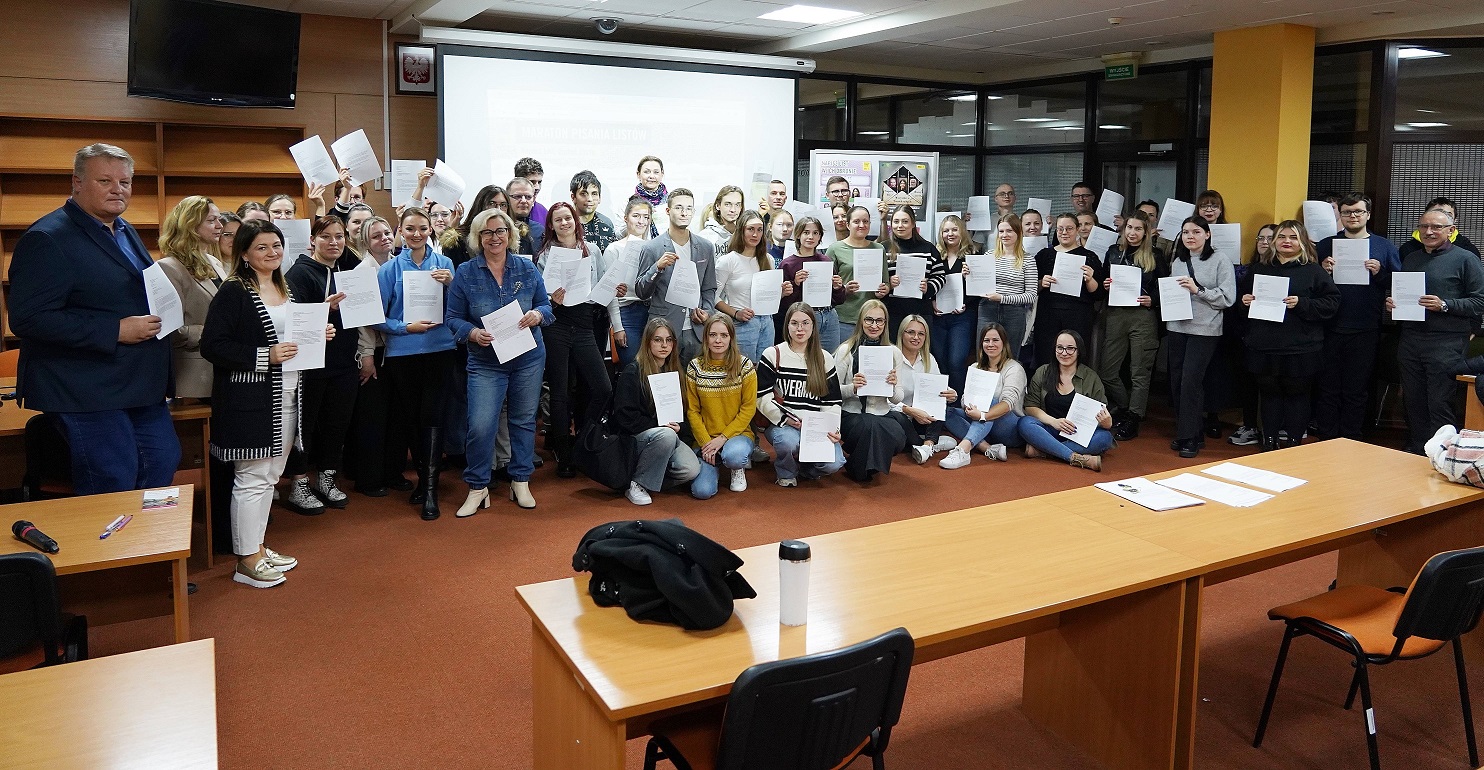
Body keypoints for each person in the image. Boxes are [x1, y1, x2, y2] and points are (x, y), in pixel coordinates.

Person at [9, 143, 180, 494]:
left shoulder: (123, 228)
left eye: (125, 182)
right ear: (77, 182)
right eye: (105, 181)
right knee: (114, 475)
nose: (118, 189)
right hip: (83, 385)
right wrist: (114, 330)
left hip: (136, 382)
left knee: (163, 458)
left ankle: (142, 531)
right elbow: (28, 318)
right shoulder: (47, 238)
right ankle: (114, 531)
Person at [200, 219, 334, 587]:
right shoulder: (233, 291)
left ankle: (256, 546)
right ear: (244, 253)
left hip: (288, 393)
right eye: (262, 247)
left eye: (276, 245)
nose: (272, 252)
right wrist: (266, 355)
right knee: (252, 478)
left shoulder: (284, 286)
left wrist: (318, 332)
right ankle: (246, 560)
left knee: (271, 477)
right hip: (249, 399)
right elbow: (213, 346)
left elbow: (291, 336)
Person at [445, 208, 552, 512]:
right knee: (480, 425)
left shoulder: (526, 268)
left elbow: (545, 306)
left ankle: (520, 480)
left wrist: (538, 315)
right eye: (488, 232)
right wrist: (472, 333)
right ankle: (478, 486)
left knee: (523, 421)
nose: (495, 237)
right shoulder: (466, 272)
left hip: (528, 357)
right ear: (478, 237)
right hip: (485, 360)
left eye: (500, 231)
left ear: (510, 234)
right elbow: (452, 318)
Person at [377, 208, 458, 519]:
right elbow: (376, 317)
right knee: (412, 418)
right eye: (410, 228)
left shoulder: (446, 264)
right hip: (403, 352)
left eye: (422, 228)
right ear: (400, 230)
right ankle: (424, 481)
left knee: (433, 415)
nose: (416, 234)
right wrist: (404, 328)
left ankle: (431, 490)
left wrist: (452, 284)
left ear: (430, 230)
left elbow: (460, 308)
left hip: (440, 349)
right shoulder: (389, 270)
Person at [1239, 220, 1340, 451]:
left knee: (1297, 394)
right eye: (1282, 237)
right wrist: (1245, 302)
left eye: (1293, 237)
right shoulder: (1259, 269)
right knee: (1269, 393)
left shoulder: (1313, 271)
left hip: (1300, 346)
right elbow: (1242, 302)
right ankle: (1269, 441)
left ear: (1302, 242)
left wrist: (1302, 303)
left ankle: (1294, 442)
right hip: (1264, 344)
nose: (1287, 241)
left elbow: (1332, 303)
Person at [1389, 208, 1484, 453]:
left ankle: (1441, 453)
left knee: (1439, 401)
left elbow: (1480, 301)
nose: (1429, 232)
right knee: (1412, 399)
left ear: (1451, 231)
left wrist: (1445, 305)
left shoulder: (1466, 259)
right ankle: (1418, 450)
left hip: (1447, 341)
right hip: (1410, 338)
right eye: (1424, 226)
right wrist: (1393, 303)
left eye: (1437, 227)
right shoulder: (1411, 258)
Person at [281, 216, 356, 514]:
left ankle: (326, 478)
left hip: (343, 362)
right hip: (310, 366)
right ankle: (299, 483)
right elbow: (293, 320)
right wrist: (325, 309)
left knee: (337, 424)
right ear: (313, 240)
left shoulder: (346, 272)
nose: (334, 242)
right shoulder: (299, 273)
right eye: (326, 236)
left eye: (339, 236)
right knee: (305, 426)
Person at [1314, 194, 1401, 441]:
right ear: (1340, 215)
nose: (1353, 216)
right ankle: (1326, 438)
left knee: (1356, 390)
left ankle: (1351, 439)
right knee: (1327, 388)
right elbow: (1310, 283)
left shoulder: (1384, 246)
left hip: (1366, 327)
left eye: (1358, 212)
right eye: (1347, 212)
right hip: (1329, 326)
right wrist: (1322, 271)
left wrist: (1380, 272)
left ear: (1368, 215)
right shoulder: (1325, 245)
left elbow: (1399, 283)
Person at [535, 201, 613, 478]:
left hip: (584, 323)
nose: (564, 223)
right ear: (551, 225)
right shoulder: (545, 255)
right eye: (558, 220)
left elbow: (602, 286)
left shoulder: (591, 250)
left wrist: (613, 289)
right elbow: (539, 297)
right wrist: (551, 300)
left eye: (568, 218)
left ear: (575, 220)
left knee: (602, 387)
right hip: (556, 323)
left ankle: (583, 439)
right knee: (560, 392)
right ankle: (564, 454)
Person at [344, 216, 406, 497]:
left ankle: (393, 472)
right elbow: (362, 322)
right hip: (374, 351)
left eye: (386, 233)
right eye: (376, 236)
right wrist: (366, 356)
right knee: (373, 418)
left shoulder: (399, 264)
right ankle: (368, 478)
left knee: (396, 416)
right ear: (365, 242)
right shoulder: (361, 272)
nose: (384, 238)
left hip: (399, 348)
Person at [1166, 217, 1236, 458]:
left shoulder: (1220, 259)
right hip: (1177, 326)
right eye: (1185, 232)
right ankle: (1190, 432)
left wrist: (1198, 290)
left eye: (1196, 232)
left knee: (1191, 381)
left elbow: (1228, 297)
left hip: (1204, 329)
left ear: (1207, 234)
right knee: (1177, 381)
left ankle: (1189, 437)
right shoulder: (1178, 261)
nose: (1190, 236)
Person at [756, 302, 846, 486]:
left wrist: (833, 429)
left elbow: (833, 402)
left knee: (835, 463)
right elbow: (762, 397)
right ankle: (786, 471)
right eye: (794, 323)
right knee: (787, 442)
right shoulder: (773, 354)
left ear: (813, 326)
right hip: (784, 425)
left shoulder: (824, 358)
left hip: (815, 428)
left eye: (805, 323)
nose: (800, 329)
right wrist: (785, 419)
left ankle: (806, 469)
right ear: (787, 326)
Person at [613, 318, 701, 505]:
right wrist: (659, 426)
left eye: (669, 340)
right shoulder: (632, 372)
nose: (664, 345)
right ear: (648, 342)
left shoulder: (676, 371)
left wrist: (680, 427)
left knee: (690, 470)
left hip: (668, 436)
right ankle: (637, 484)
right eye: (658, 340)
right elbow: (624, 417)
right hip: (637, 438)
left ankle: (644, 477)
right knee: (666, 435)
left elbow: (685, 414)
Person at [1098, 211, 1166, 440]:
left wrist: (1153, 300)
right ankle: (1126, 406)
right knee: (1108, 371)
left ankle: (1135, 417)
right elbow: (1102, 281)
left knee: (1139, 371)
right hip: (1116, 314)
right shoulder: (1113, 252)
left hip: (1142, 317)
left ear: (1146, 232)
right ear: (1123, 229)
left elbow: (1165, 285)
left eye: (1138, 229)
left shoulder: (1155, 254)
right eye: (1129, 227)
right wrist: (1105, 285)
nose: (1133, 233)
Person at [158, 195, 228, 401]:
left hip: (221, 369)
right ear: (190, 225)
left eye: (219, 219)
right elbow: (169, 330)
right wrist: (214, 333)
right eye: (211, 220)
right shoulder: (168, 267)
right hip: (193, 377)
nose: (219, 226)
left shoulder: (214, 261)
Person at [635, 188, 717, 364]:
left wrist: (708, 312)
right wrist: (657, 267)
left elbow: (709, 287)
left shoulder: (706, 247)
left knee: (695, 378)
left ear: (693, 212)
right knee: (664, 378)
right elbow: (641, 291)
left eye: (688, 208)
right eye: (679, 207)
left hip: (696, 329)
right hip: (664, 330)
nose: (684, 213)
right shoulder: (652, 248)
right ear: (668, 210)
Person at [685, 313, 758, 499]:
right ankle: (714, 461)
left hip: (737, 435)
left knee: (734, 456)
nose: (718, 340)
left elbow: (748, 408)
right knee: (702, 491)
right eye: (713, 335)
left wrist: (723, 438)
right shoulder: (695, 367)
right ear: (705, 337)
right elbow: (692, 411)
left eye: (724, 335)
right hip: (706, 438)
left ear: (731, 338)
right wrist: (705, 443)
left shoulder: (744, 366)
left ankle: (736, 467)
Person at [1017, 330, 1113, 471]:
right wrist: (1054, 422)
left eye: (1070, 348)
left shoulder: (1091, 377)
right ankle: (1074, 457)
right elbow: (1030, 406)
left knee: (1105, 438)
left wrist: (1107, 422)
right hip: (1049, 429)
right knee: (1025, 423)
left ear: (1078, 351)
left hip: (1078, 433)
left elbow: (1101, 413)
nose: (1064, 353)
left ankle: (1044, 451)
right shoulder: (1043, 372)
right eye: (1060, 348)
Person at [834, 300, 908, 481]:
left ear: (885, 323)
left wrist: (892, 387)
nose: (874, 326)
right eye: (869, 320)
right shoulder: (846, 350)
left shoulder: (894, 352)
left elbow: (898, 398)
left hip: (881, 413)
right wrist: (853, 388)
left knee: (898, 435)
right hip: (851, 414)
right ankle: (863, 470)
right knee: (869, 424)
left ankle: (858, 465)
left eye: (879, 321)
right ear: (861, 321)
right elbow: (832, 392)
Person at [939, 323, 1026, 469]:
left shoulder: (1014, 368)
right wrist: (968, 407)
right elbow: (965, 399)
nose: (990, 344)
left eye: (995, 340)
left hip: (1008, 427)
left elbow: (1008, 403)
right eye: (986, 340)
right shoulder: (975, 367)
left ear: (1004, 343)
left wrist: (982, 415)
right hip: (981, 425)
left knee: (991, 401)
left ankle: (963, 450)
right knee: (946, 412)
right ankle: (987, 448)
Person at [715, 209, 793, 364]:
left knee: (765, 369)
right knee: (742, 369)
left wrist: (781, 292)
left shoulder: (768, 259)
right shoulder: (728, 261)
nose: (755, 234)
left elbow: (767, 296)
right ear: (741, 230)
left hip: (767, 323)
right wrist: (735, 313)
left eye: (759, 230)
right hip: (742, 323)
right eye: (750, 229)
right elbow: (713, 296)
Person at [1224, 224, 1275, 447]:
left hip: (1274, 337)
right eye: (1260, 238)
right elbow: (1236, 301)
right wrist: (1243, 301)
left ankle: (1270, 429)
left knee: (1270, 385)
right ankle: (1250, 426)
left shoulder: (1283, 270)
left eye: (1270, 238)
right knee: (1247, 383)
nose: (1264, 242)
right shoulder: (1248, 269)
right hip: (1247, 334)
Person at [1032, 213, 1101, 368]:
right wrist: (1042, 283)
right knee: (1046, 357)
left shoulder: (1089, 256)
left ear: (1077, 230)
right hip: (1048, 315)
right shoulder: (1044, 255)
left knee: (1076, 356)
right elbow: (1030, 288)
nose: (1064, 232)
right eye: (1060, 229)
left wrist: (1090, 279)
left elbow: (1098, 294)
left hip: (1079, 315)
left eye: (1069, 228)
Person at [967, 213, 1038, 361]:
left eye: (1009, 231)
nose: (1004, 235)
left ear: (1018, 232)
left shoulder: (1028, 260)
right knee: (984, 356)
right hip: (987, 309)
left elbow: (1031, 295)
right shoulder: (989, 255)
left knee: (1010, 356)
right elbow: (979, 286)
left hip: (1014, 313)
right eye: (1001, 231)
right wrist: (969, 275)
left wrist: (1003, 298)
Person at [874, 205, 944, 342]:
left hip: (921, 311)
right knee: (893, 350)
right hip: (892, 311)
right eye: (896, 221)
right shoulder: (883, 248)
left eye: (905, 221)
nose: (900, 225)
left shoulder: (928, 248)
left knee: (919, 350)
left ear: (913, 223)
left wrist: (928, 287)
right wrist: (888, 283)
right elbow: (876, 278)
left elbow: (940, 275)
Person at [780, 215, 849, 354]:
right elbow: (783, 304)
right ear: (798, 235)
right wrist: (796, 283)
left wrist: (838, 287)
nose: (810, 237)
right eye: (806, 232)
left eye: (815, 233)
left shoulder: (826, 261)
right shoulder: (787, 264)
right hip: (805, 318)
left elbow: (839, 300)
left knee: (830, 357)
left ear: (820, 237)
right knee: (805, 357)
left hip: (829, 315)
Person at [895, 314, 956, 464]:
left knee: (939, 403)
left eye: (921, 334)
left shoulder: (928, 358)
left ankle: (927, 446)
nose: (916, 337)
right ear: (902, 334)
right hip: (900, 414)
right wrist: (909, 410)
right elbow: (883, 401)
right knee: (897, 419)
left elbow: (938, 387)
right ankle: (928, 443)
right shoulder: (892, 357)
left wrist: (951, 393)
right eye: (911, 332)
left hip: (922, 418)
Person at [600, 196, 652, 368]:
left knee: (654, 368)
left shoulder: (654, 247)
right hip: (627, 313)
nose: (641, 221)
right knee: (632, 367)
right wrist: (617, 327)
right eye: (636, 216)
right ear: (626, 218)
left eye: (646, 217)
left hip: (652, 312)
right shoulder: (614, 249)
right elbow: (610, 291)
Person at [933, 214, 976, 394]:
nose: (950, 234)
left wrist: (970, 278)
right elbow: (930, 282)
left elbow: (981, 290)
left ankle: (957, 401)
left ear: (962, 232)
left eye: (954, 230)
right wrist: (932, 301)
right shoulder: (935, 255)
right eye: (946, 231)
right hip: (938, 317)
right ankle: (941, 401)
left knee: (957, 360)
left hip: (962, 317)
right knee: (939, 361)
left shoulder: (972, 256)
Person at [826, 205, 876, 342]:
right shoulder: (834, 249)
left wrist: (884, 289)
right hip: (844, 318)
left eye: (865, 221)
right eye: (856, 221)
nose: (862, 225)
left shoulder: (878, 248)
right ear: (848, 225)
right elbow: (826, 287)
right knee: (843, 355)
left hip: (871, 319)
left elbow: (885, 282)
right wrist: (844, 289)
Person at [1399, 197, 1481, 263]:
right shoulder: (1408, 250)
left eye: (1447, 214)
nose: (1429, 232)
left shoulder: (1467, 252)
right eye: (1435, 213)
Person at [440, 185, 506, 267]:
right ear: (481, 205)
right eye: (492, 204)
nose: (498, 209)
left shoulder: (513, 236)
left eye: (503, 205)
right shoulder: (460, 239)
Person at [568, 171, 618, 253]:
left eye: (594, 194)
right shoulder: (564, 224)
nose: (590, 199)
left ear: (600, 198)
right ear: (573, 197)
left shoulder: (606, 224)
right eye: (583, 194)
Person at [699, 185, 744, 252]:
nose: (733, 209)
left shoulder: (744, 235)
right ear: (718, 205)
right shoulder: (705, 237)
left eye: (737, 205)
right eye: (727, 204)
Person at [633, 155, 667, 237]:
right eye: (647, 172)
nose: (651, 176)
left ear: (662, 174)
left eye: (656, 172)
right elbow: (619, 234)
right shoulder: (629, 203)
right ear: (638, 174)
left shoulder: (671, 202)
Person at [507, 177, 543, 253]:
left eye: (528, 197)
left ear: (533, 200)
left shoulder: (540, 231)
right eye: (517, 196)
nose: (523, 201)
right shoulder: (499, 230)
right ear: (507, 199)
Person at [515, 157, 548, 231]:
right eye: (532, 182)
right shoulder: (503, 211)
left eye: (539, 182)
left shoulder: (543, 212)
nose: (537, 187)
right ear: (517, 181)